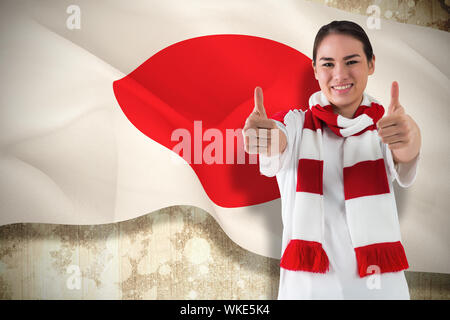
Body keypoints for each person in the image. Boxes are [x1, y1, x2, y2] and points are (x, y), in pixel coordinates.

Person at [242, 20, 421, 300]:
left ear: (371, 64)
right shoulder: (295, 126)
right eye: (327, 64)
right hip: (309, 292)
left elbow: (405, 151)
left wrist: (409, 135)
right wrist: (263, 138)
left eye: (351, 61)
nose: (339, 74)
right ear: (314, 69)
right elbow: (276, 139)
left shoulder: (384, 130)